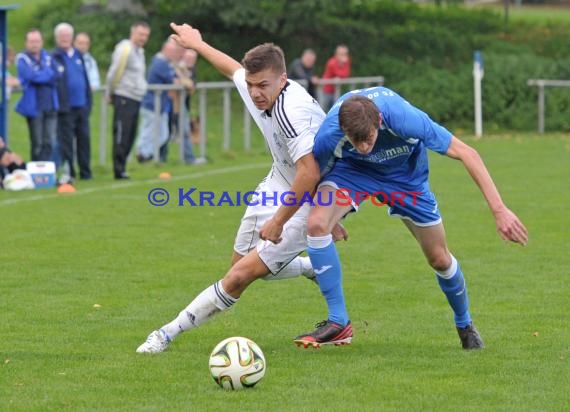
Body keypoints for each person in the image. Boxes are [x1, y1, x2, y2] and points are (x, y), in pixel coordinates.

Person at [136, 22, 332, 354]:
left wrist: (279, 221)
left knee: (239, 278)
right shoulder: (261, 87)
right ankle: (306, 266)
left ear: (282, 80)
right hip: (278, 182)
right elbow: (234, 70)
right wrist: (197, 43)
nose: (255, 92)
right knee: (241, 266)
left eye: (262, 86)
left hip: (310, 197)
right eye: (252, 85)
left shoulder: (293, 112)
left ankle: (165, 334)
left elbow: (310, 173)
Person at [288, 90, 528, 350]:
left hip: (407, 181)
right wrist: (331, 221)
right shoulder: (330, 133)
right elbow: (312, 175)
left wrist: (499, 209)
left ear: (378, 121)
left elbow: (467, 153)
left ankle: (465, 324)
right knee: (317, 224)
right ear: (343, 129)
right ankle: (338, 321)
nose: (363, 147)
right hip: (355, 174)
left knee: (439, 258)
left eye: (367, 138)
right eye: (355, 141)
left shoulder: (404, 118)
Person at [105, 21, 150, 180]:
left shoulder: (140, 52)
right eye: (140, 34)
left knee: (131, 134)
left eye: (145, 35)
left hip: (136, 97)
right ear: (133, 33)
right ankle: (118, 169)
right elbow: (114, 71)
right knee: (122, 134)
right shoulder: (125, 49)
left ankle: (123, 166)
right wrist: (111, 92)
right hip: (124, 96)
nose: (143, 38)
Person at [52, 22, 93, 183]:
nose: (65, 39)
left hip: (81, 105)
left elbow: (85, 79)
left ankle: (86, 172)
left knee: (84, 139)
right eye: (62, 36)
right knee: (66, 142)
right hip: (65, 108)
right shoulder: (54, 57)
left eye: (68, 35)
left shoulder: (78, 55)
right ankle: (70, 172)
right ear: (57, 38)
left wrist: (88, 102)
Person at [135, 38, 183, 163]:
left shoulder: (165, 63)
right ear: (165, 50)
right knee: (149, 131)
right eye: (172, 52)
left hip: (160, 105)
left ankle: (145, 154)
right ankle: (142, 154)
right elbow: (175, 81)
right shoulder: (160, 63)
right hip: (151, 104)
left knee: (163, 134)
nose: (174, 55)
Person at [15, 29, 59, 162]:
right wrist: (45, 75)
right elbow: (29, 76)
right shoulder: (22, 59)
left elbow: (56, 75)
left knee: (49, 141)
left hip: (50, 104)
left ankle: (47, 170)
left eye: (37, 41)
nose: (35, 44)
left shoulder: (48, 57)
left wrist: (40, 76)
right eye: (31, 41)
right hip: (34, 107)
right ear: (26, 43)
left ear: (42, 42)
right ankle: (36, 171)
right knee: (37, 142)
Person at [320, 44, 351, 112]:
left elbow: (346, 74)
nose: (344, 56)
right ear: (336, 54)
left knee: (335, 110)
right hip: (326, 90)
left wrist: (344, 64)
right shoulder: (331, 62)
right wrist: (344, 64)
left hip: (336, 90)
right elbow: (339, 73)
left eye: (345, 54)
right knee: (323, 110)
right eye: (341, 54)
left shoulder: (346, 61)